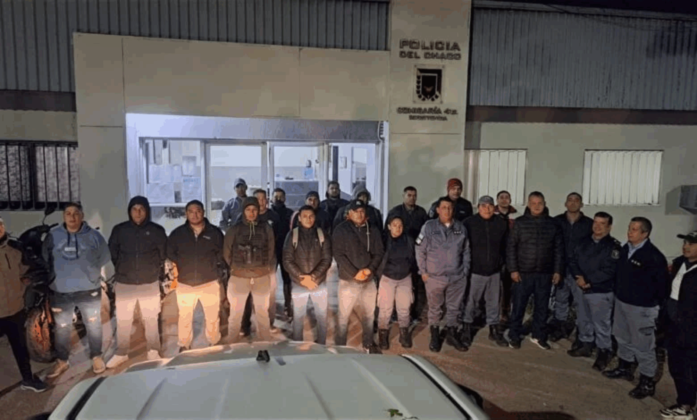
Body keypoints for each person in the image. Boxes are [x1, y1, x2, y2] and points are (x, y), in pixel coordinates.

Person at [604, 217, 669, 400]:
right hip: (622, 303)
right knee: (622, 337)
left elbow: (662, 287)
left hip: (642, 309)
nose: (629, 232)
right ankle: (625, 368)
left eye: (634, 229)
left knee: (643, 345)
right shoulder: (625, 249)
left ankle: (647, 382)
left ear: (645, 233)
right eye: (629, 228)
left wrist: (650, 304)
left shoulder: (654, 257)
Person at [44, 203, 111, 379]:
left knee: (93, 325)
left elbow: (104, 257)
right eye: (68, 213)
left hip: (88, 290)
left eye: (75, 213)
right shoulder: (53, 235)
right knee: (62, 328)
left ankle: (96, 356)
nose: (72, 217)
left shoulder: (94, 236)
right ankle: (62, 360)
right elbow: (45, 257)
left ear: (82, 215)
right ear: (63, 216)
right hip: (61, 291)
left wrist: (91, 274)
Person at [106, 196, 168, 369]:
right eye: (134, 209)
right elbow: (113, 253)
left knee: (151, 318)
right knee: (123, 320)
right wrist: (123, 269)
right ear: (129, 211)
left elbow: (163, 254)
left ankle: (153, 350)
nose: (138, 212)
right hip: (125, 282)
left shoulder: (157, 230)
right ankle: (121, 353)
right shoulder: (120, 230)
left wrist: (153, 270)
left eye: (141, 209)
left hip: (149, 282)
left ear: (147, 211)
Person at [506, 192, 563, 350]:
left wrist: (557, 270)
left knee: (542, 308)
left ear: (545, 204)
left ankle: (538, 335)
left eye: (540, 203)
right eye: (533, 203)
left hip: (545, 273)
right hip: (523, 273)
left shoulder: (553, 224)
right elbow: (511, 247)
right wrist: (513, 269)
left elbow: (558, 249)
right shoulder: (520, 223)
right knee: (518, 307)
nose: (537, 206)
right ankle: (514, 335)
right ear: (528, 204)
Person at [167, 200, 226, 352]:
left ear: (203, 212)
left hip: (209, 281)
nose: (195, 214)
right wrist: (182, 264)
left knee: (212, 316)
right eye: (191, 212)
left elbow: (222, 253)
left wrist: (213, 266)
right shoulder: (178, 234)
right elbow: (170, 253)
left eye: (198, 211)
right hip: (185, 283)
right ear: (186, 214)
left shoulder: (214, 233)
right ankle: (184, 344)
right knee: (185, 316)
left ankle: (213, 341)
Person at [566, 212, 620, 371]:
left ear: (609, 227)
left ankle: (604, 351)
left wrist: (588, 280)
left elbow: (610, 270)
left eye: (602, 223)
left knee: (601, 324)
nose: (597, 226)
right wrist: (578, 277)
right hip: (580, 287)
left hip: (600, 291)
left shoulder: (613, 247)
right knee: (583, 319)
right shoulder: (582, 242)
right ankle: (586, 345)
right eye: (595, 222)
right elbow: (572, 260)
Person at [416, 197, 471, 353]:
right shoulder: (429, 227)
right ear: (438, 210)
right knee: (435, 308)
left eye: (450, 208)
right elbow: (419, 250)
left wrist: (465, 271)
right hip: (435, 277)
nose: (447, 210)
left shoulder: (460, 227)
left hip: (457, 276)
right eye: (444, 207)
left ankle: (452, 334)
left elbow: (466, 251)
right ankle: (434, 335)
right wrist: (423, 271)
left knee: (455, 308)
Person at [0, 217, 48, 392]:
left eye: (0, 224)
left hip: (16, 309)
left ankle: (28, 379)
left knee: (21, 349)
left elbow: (23, 270)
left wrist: (24, 282)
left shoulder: (15, 249)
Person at [332, 199, 384, 353]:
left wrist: (369, 270)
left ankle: (368, 343)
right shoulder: (341, 230)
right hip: (348, 279)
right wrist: (355, 273)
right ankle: (340, 345)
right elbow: (339, 255)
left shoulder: (373, 229)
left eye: (362, 211)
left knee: (369, 314)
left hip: (368, 279)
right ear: (349, 213)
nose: (359, 214)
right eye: (356, 211)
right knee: (344, 315)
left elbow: (379, 253)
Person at [224, 197, 276, 343]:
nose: (251, 213)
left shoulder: (266, 228)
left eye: (254, 210)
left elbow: (270, 250)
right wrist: (237, 268)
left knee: (262, 313)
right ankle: (232, 344)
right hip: (239, 277)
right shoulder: (234, 229)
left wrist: (262, 267)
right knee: (235, 314)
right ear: (243, 211)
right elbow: (227, 252)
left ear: (258, 211)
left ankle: (264, 344)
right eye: (248, 210)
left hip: (261, 277)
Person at [461, 196, 509, 348]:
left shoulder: (501, 223)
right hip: (475, 271)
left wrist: (502, 264)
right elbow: (462, 246)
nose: (487, 209)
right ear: (478, 207)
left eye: (490, 206)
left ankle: (493, 329)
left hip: (494, 271)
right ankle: (466, 329)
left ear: (494, 207)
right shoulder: (469, 223)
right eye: (483, 206)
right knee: (471, 302)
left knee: (494, 302)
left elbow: (506, 246)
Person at [660, 231, 697, 419]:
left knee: (690, 370)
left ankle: (687, 407)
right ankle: (683, 403)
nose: (686, 246)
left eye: (692, 244)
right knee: (676, 367)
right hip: (674, 326)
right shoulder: (679, 263)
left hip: (692, 331)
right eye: (685, 243)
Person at [282, 205, 332, 344]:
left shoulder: (322, 234)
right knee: (298, 317)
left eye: (311, 216)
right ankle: (297, 344)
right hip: (299, 283)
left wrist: (313, 277)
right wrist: (302, 277)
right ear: (299, 218)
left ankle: (321, 345)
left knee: (322, 317)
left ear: (315, 217)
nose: (308, 219)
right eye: (304, 216)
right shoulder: (292, 235)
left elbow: (327, 259)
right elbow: (287, 260)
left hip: (318, 282)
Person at [549, 192, 594, 342]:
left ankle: (582, 336)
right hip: (560, 269)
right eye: (570, 200)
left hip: (579, 271)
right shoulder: (556, 221)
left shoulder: (589, 224)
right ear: (565, 203)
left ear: (581, 204)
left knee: (581, 304)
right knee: (560, 300)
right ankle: (560, 328)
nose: (573, 203)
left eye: (576, 200)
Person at [238, 189, 281, 335]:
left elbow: (279, 238)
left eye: (263, 199)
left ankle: (269, 323)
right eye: (258, 199)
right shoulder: (241, 218)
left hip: (269, 263)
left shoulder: (274, 217)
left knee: (270, 294)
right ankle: (245, 325)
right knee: (247, 294)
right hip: (247, 264)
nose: (261, 202)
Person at [386, 186, 429, 324]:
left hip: (416, 252)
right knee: (395, 285)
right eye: (409, 195)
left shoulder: (421, 212)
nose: (412, 198)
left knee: (414, 285)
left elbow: (426, 232)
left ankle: (413, 313)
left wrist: (419, 245)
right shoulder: (395, 211)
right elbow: (387, 232)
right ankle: (394, 313)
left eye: (414, 195)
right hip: (398, 252)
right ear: (403, 196)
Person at [376, 215, 416, 350]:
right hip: (387, 278)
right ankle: (383, 335)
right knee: (385, 309)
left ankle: (404, 334)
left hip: (405, 278)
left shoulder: (409, 240)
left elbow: (413, 258)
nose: (398, 228)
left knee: (404, 308)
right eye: (394, 225)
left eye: (400, 226)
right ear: (389, 226)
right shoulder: (383, 240)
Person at [495, 190, 517, 328]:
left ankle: (505, 312)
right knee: (494, 287)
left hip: (510, 255)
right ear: (497, 200)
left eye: (506, 197)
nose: (504, 200)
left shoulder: (516, 215)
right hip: (495, 255)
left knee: (508, 287)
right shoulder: (492, 214)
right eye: (501, 197)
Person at [272, 188, 295, 320]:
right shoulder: (268, 214)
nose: (278, 199)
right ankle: (270, 305)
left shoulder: (290, 214)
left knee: (287, 279)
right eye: (276, 196)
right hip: (271, 251)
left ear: (285, 198)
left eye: (281, 196)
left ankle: (288, 305)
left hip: (286, 250)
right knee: (270, 279)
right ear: (271, 198)